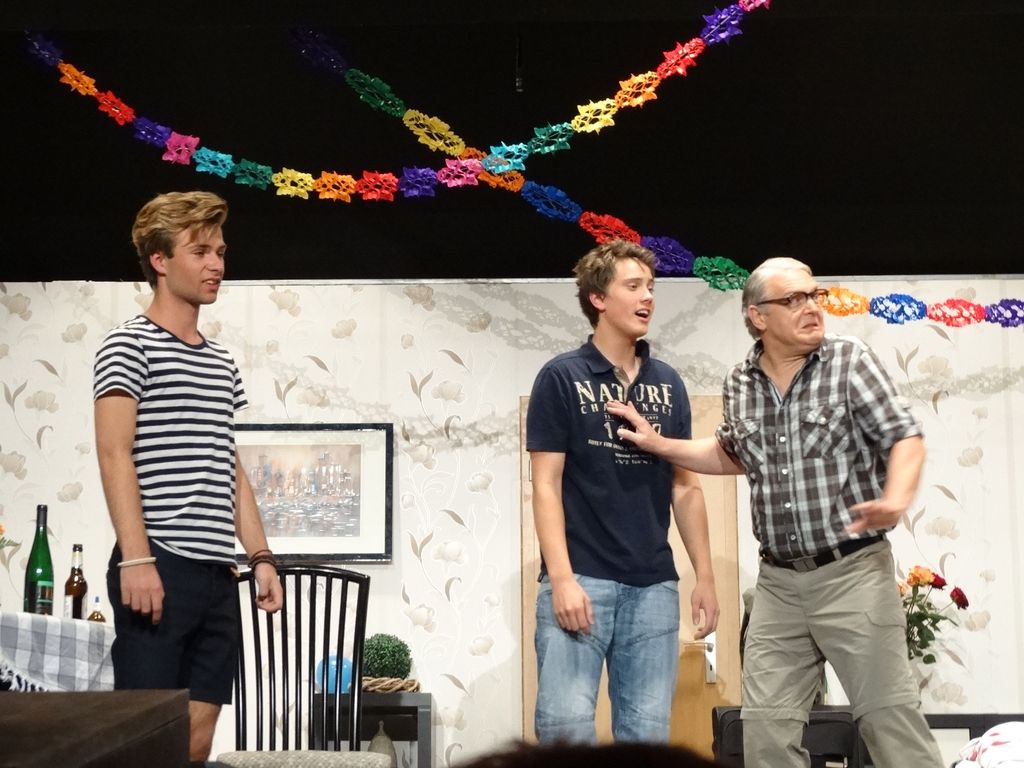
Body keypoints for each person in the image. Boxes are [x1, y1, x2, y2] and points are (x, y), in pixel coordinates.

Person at [607, 256, 943, 767]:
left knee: (888, 720)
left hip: (853, 573)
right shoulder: (740, 382)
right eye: (794, 299)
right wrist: (659, 444)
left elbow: (905, 437)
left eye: (815, 296)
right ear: (758, 316)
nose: (812, 308)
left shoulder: (849, 361)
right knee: (764, 731)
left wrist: (896, 497)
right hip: (779, 585)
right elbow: (732, 454)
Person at [93, 190, 283, 764]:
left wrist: (261, 556)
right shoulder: (128, 344)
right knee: (146, 740)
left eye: (220, 251)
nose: (216, 264)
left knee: (198, 742)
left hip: (217, 575)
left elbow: (227, 462)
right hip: (159, 564)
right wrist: (136, 558)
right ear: (159, 259)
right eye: (200, 252)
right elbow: (114, 453)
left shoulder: (221, 361)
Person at [526, 239, 719, 744]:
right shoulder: (562, 376)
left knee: (646, 739)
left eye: (650, 287)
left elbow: (686, 486)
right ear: (598, 298)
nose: (647, 297)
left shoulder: (668, 383)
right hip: (581, 579)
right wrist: (562, 579)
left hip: (654, 586)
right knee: (565, 733)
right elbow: (545, 485)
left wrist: (704, 576)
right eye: (633, 286)